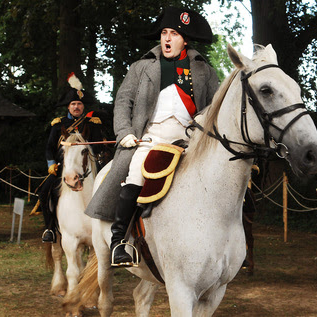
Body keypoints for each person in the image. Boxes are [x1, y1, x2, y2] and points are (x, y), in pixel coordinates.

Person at [83, 6, 219, 267]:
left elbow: (214, 108)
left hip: (191, 141)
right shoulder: (141, 67)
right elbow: (123, 100)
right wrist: (124, 132)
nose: (167, 39)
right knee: (135, 174)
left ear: (185, 40)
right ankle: (119, 242)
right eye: (164, 33)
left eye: (174, 34)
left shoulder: (205, 71)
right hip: (149, 138)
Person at [36, 73, 112, 243]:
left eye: (79, 104)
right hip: (63, 167)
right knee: (45, 191)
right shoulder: (58, 125)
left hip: (88, 165)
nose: (76, 107)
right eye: (73, 104)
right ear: (68, 107)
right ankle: (50, 228)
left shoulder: (92, 123)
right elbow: (49, 147)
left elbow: (100, 146)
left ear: (83, 106)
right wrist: (51, 164)